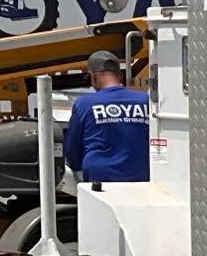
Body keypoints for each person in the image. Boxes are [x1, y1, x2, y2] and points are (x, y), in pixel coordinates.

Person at [61, 52, 150, 184]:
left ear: (94, 76)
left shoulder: (85, 104)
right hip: (141, 179)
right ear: (120, 76)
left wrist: (76, 165)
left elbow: (72, 151)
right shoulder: (145, 101)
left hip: (99, 181)